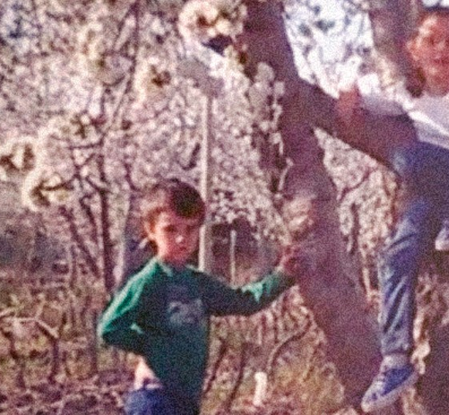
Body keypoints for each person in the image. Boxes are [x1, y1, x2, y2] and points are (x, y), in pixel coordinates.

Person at [337, 6, 449, 412]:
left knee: (410, 159)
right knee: (396, 256)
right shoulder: (409, 93)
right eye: (431, 41)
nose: (441, 50)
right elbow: (366, 91)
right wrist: (349, 92)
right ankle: (396, 359)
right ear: (413, 49)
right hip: (435, 195)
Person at [97, 178, 303, 415]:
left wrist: (282, 276)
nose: (182, 239)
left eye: (190, 229)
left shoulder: (197, 282)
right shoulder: (149, 281)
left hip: (186, 399)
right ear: (151, 230)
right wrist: (154, 348)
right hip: (155, 397)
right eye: (171, 229)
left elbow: (244, 302)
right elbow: (110, 328)